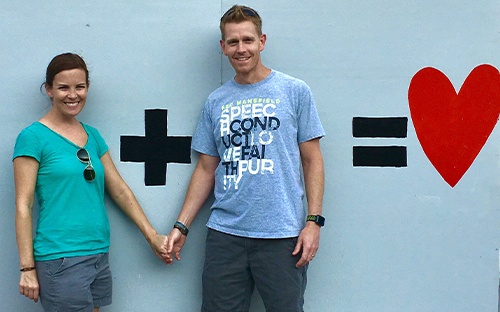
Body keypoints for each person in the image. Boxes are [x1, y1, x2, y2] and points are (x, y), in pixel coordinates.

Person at [165, 5, 325, 311]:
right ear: (223, 47)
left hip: (282, 236)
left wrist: (313, 222)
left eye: (248, 40)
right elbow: (206, 168)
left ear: (262, 41)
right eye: (233, 42)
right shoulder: (216, 102)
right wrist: (182, 225)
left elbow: (312, 160)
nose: (242, 49)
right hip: (226, 236)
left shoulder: (294, 92)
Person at [13, 53, 170, 312]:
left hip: (98, 253)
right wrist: (27, 267)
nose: (72, 95)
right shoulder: (32, 137)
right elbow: (23, 204)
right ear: (49, 90)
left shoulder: (93, 136)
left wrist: (151, 235)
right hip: (60, 257)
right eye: (63, 87)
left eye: (80, 87)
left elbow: (118, 190)